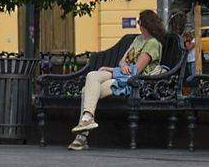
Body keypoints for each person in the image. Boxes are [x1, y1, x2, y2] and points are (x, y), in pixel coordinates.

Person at [68, 10, 168, 151]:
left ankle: (82, 137)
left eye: (139, 22)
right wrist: (122, 66)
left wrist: (110, 69)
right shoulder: (138, 40)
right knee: (92, 75)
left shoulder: (153, 43)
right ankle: (87, 118)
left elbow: (135, 71)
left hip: (131, 82)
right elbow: (122, 61)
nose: (138, 25)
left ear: (145, 24)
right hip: (121, 74)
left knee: (86, 91)